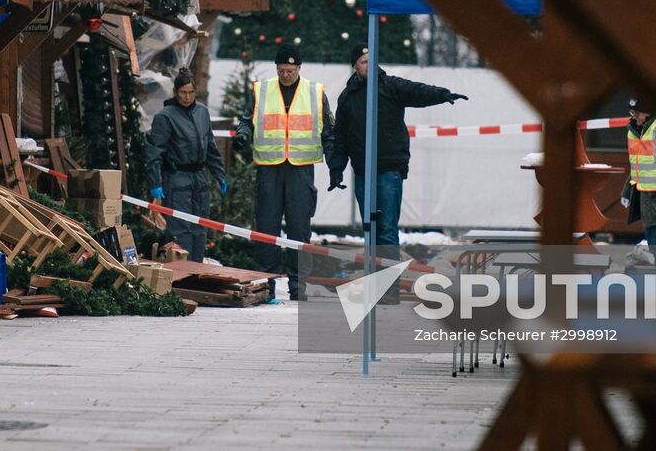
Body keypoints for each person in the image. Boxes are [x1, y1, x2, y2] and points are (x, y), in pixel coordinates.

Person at [328, 44, 466, 300]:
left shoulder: (389, 85)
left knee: (387, 230)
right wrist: (336, 169)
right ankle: (375, 285)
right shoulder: (348, 97)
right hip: (362, 173)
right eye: (362, 61)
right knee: (370, 230)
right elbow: (340, 138)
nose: (368, 65)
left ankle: (389, 291)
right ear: (355, 66)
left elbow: (416, 92)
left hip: (388, 170)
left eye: (371, 60)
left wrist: (443, 94)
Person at [234, 46, 335, 300]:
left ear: (299, 68)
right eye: (282, 70)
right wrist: (242, 135)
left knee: (299, 229)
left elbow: (328, 131)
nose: (286, 75)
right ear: (276, 68)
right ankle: (266, 286)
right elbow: (248, 119)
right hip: (270, 169)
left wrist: (335, 162)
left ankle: (297, 287)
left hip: (300, 169)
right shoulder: (262, 90)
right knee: (267, 227)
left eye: (291, 70)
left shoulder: (315, 92)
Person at [146, 69, 227, 262]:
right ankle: (181, 275)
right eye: (183, 92)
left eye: (191, 92)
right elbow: (154, 152)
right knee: (180, 228)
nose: (187, 97)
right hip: (177, 177)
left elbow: (210, 147)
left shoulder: (202, 112)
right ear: (175, 92)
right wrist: (155, 183)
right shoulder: (165, 117)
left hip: (199, 177)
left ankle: (196, 270)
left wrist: (219, 174)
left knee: (200, 226)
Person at [621, 97, 656, 258]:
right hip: (644, 193)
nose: (633, 116)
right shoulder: (635, 129)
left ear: (648, 113)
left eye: (636, 113)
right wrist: (627, 190)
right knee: (651, 230)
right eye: (631, 112)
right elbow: (637, 165)